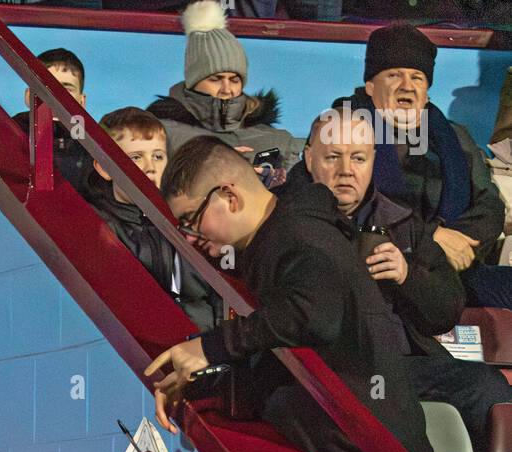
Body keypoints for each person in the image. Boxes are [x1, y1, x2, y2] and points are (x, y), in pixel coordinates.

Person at [145, 135, 437, 452]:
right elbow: (283, 357)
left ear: (228, 195)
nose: (194, 237)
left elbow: (312, 314)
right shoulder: (280, 236)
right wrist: (208, 383)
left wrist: (208, 347)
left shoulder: (298, 235)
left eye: (193, 220)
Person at [303, 109, 512, 452]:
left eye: (358, 158)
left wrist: (407, 276)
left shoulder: (399, 221)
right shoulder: (285, 220)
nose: (345, 171)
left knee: (487, 387)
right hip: (333, 367)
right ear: (309, 157)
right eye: (333, 157)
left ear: (372, 161)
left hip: (405, 360)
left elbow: (446, 309)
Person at [333, 23, 512, 310]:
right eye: (394, 75)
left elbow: (489, 205)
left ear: (427, 91)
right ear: (370, 86)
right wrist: (431, 240)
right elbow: (354, 208)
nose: (407, 85)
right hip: (380, 270)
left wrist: (458, 242)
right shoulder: (341, 132)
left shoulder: (454, 136)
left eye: (417, 77)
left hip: (453, 267)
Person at [85, 106, 220, 332]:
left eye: (158, 156)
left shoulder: (193, 221)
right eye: (136, 157)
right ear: (103, 167)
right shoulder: (99, 225)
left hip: (205, 346)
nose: (150, 168)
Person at [147, 2, 302, 171]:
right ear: (193, 81)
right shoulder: (159, 135)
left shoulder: (279, 141)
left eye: (235, 80)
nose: (226, 89)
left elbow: (294, 195)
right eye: (215, 79)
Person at [12, 47, 95, 195]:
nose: (56, 97)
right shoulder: (10, 134)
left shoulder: (95, 147)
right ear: (28, 96)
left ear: (81, 102)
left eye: (66, 90)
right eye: (46, 88)